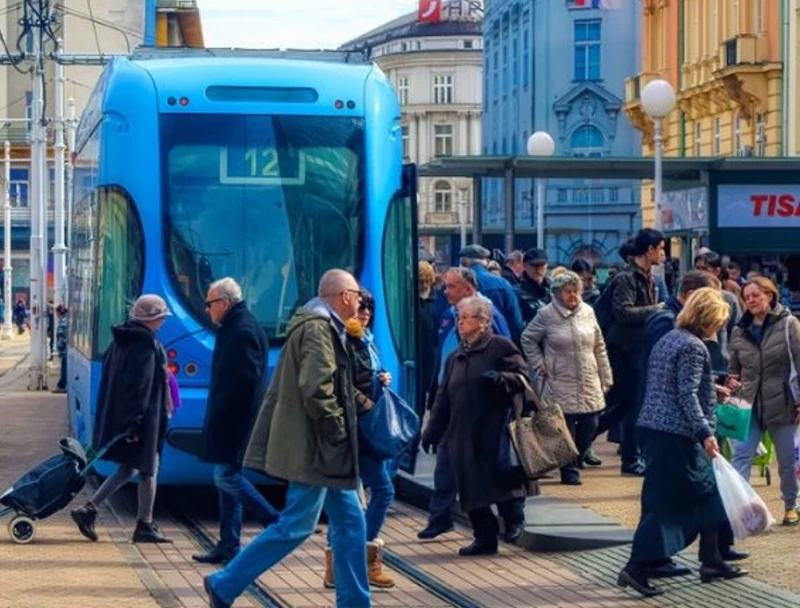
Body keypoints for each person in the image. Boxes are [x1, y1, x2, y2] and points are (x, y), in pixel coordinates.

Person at [204, 269, 370, 608]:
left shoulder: (328, 327)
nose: (360, 300)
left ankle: (355, 601)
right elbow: (317, 389)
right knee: (296, 525)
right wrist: (337, 432)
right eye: (356, 294)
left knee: (352, 524)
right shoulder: (318, 330)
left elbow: (341, 383)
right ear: (344, 297)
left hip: (325, 446)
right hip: (317, 446)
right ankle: (225, 582)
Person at [618, 288, 747, 597]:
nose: (720, 328)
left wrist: (711, 387)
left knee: (709, 493)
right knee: (669, 503)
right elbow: (685, 394)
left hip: (656, 428)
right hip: (677, 434)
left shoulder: (671, 338)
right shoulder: (693, 346)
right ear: (708, 318)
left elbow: (673, 383)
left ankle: (712, 558)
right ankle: (636, 566)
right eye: (719, 321)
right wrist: (706, 433)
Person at [422, 296, 530, 556]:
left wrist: (504, 378)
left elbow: (523, 378)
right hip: (462, 434)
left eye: (466, 317)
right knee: (471, 489)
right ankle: (485, 537)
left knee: (503, 483)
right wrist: (431, 432)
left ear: (484, 322)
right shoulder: (456, 356)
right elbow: (443, 398)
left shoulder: (501, 347)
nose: (460, 322)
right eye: (459, 317)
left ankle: (514, 521)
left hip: (495, 431)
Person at [71, 295, 174, 544]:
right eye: (161, 317)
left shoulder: (120, 341)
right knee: (149, 469)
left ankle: (89, 509)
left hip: (124, 419)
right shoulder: (145, 346)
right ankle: (144, 525)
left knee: (128, 468)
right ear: (151, 318)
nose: (163, 321)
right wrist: (136, 422)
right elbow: (140, 387)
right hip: (142, 421)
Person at [192, 278, 280, 566]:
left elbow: (245, 381)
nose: (207, 310)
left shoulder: (241, 330)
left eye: (209, 304)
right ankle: (228, 544)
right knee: (225, 483)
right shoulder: (237, 326)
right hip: (232, 419)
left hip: (236, 422)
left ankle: (274, 521)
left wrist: (225, 412)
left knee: (226, 478)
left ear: (224, 303)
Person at [324, 289, 395, 589]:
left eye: (370, 308)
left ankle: (338, 567)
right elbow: (344, 384)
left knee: (348, 500)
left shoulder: (366, 338)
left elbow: (364, 376)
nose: (365, 312)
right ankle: (364, 558)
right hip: (359, 428)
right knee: (381, 490)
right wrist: (367, 406)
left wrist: (383, 377)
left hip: (364, 426)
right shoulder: (349, 339)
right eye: (361, 306)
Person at [521, 271, 612, 485]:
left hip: (588, 376)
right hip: (559, 378)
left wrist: (606, 375)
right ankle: (569, 471)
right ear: (558, 294)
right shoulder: (546, 314)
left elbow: (599, 346)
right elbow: (527, 339)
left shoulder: (588, 312)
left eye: (576, 291)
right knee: (565, 427)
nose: (573, 296)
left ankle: (575, 458)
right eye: (568, 292)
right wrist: (539, 363)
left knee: (591, 422)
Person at [727, 276, 800, 526]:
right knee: (741, 455)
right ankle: (739, 509)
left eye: (756, 296)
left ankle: (791, 505)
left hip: (783, 402)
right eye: (747, 298)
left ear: (770, 295)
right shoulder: (739, 329)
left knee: (787, 460)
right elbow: (733, 368)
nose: (751, 301)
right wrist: (731, 384)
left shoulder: (790, 325)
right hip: (747, 403)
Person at [596, 229, 666, 476]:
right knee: (630, 403)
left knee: (626, 403)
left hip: (636, 347)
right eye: (661, 248)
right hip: (623, 349)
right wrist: (656, 310)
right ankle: (630, 458)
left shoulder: (647, 277)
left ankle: (583, 442)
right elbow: (623, 312)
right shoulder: (627, 278)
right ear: (650, 249)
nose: (664, 253)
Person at [459, 244, 524, 340]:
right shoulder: (502, 284)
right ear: (485, 263)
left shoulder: (454, 284)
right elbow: (516, 322)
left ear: (464, 263)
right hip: (497, 344)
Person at [514, 248, 552, 326]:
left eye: (541, 265)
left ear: (546, 266)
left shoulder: (554, 289)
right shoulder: (516, 292)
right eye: (533, 266)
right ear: (525, 265)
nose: (538, 270)